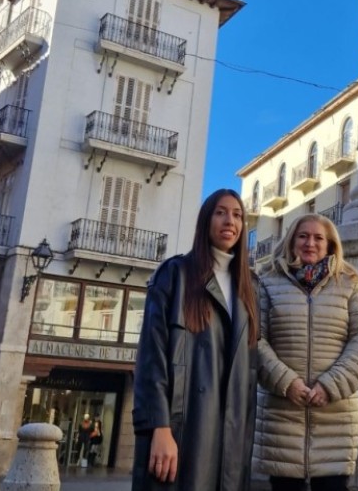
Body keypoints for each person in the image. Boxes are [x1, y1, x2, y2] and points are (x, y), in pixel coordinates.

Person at [132, 188, 258, 490]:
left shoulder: (249, 288)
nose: (230, 221)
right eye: (221, 212)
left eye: (238, 215)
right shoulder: (174, 274)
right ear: (206, 221)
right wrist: (160, 427)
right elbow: (151, 357)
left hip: (230, 443)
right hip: (180, 432)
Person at [254, 213, 358, 491]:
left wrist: (329, 385)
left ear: (330, 245)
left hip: (335, 415)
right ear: (292, 242)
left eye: (318, 238)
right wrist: (287, 383)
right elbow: (256, 339)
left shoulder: (349, 282)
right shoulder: (267, 283)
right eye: (303, 236)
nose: (311, 243)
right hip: (282, 414)